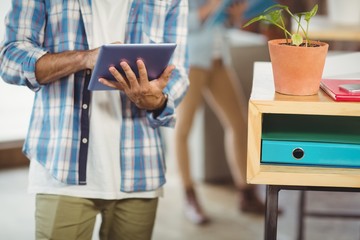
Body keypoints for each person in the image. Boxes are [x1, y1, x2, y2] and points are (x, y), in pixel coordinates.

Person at [0, 1, 189, 239]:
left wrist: (155, 100)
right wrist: (84, 59)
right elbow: (10, 57)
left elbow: (179, 72)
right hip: (60, 166)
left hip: (141, 169)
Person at [174, 0, 266, 225]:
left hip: (218, 59)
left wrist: (235, 15)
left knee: (239, 123)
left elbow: (222, 26)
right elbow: (181, 24)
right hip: (191, 61)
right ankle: (189, 197)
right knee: (183, 127)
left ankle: (246, 193)